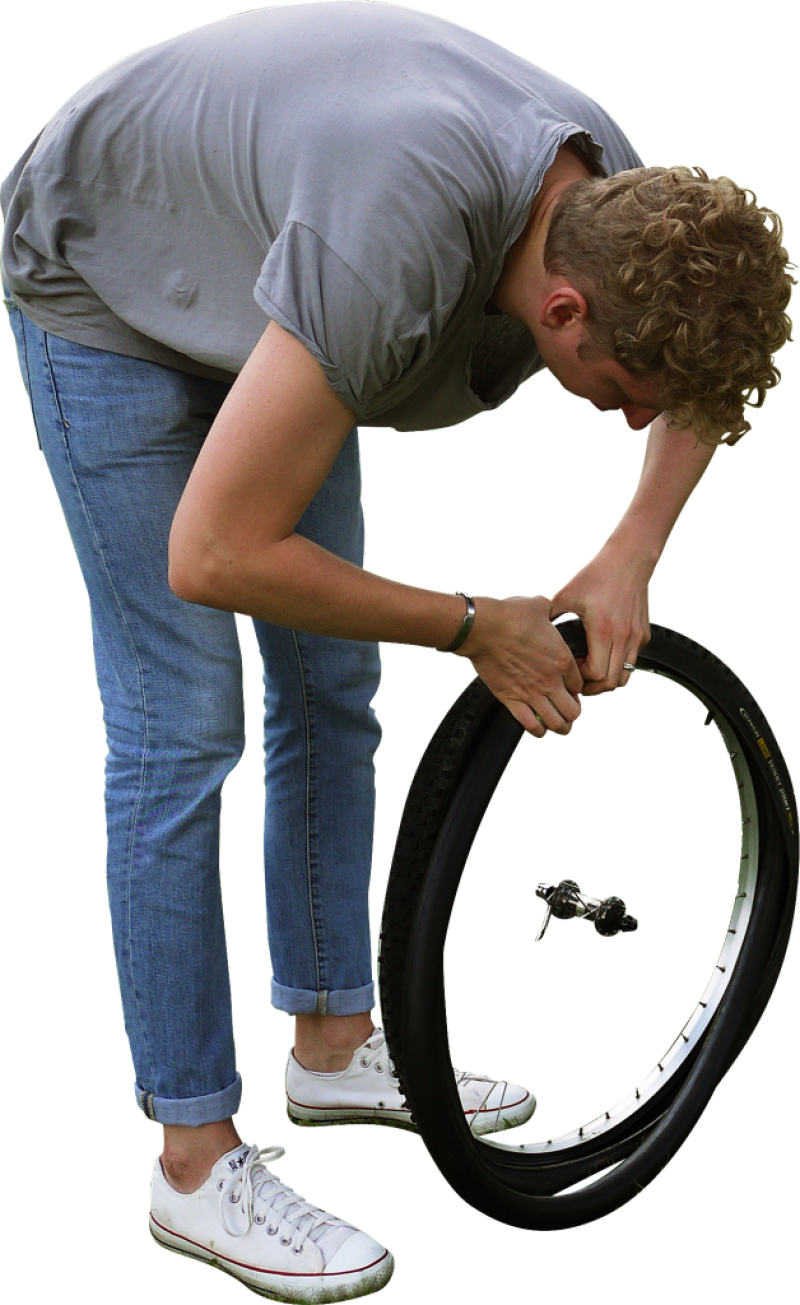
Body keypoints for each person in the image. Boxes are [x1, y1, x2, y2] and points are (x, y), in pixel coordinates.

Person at [1, 5, 794, 1302]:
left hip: (272, 242)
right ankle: (195, 1164)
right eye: (624, 390)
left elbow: (701, 383)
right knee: (185, 716)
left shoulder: (633, 205)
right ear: (559, 305)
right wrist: (477, 625)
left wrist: (633, 548)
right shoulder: (390, 255)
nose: (638, 419)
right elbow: (215, 556)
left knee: (331, 680)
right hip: (107, 272)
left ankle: (330, 1038)